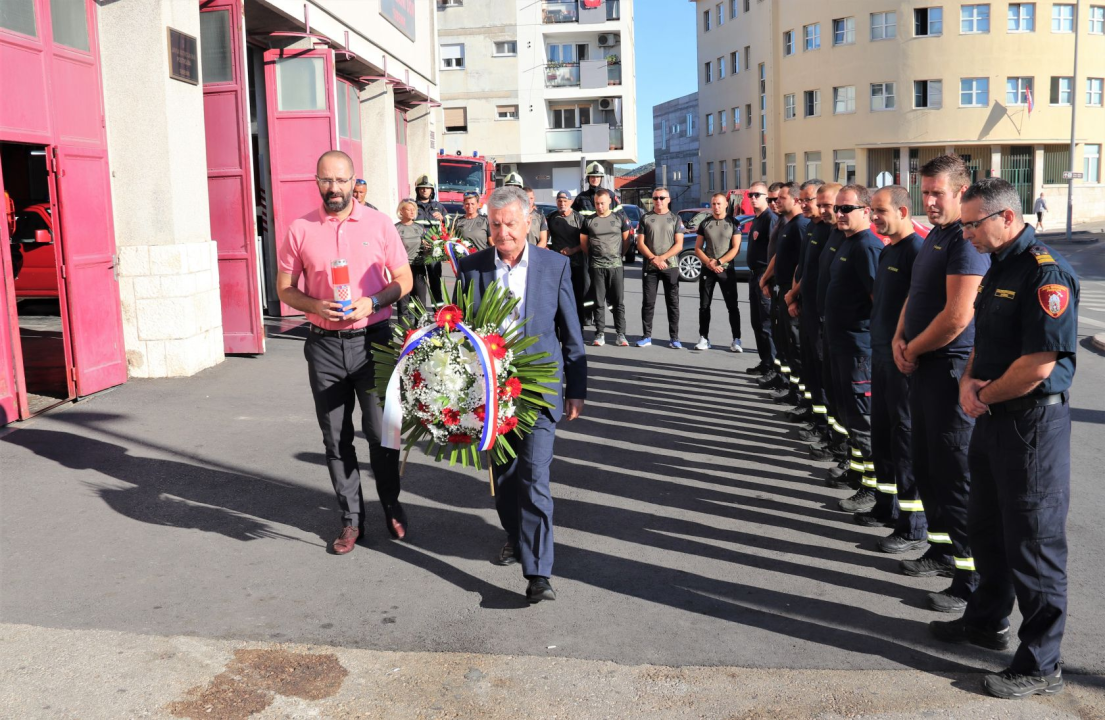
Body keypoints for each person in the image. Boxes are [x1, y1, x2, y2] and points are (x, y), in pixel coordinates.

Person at [931, 177, 1079, 700]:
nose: (964, 231)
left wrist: (984, 395)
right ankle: (985, 619)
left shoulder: (1045, 274)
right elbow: (986, 341)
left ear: (1007, 218)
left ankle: (1041, 663)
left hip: (1032, 424)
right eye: (964, 222)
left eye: (973, 223)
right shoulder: (999, 267)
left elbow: (1039, 365)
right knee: (986, 526)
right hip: (993, 416)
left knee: (1034, 544)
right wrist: (970, 380)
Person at [276, 150, 414, 555]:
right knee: (336, 439)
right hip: (324, 345)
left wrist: (373, 301)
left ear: (355, 181)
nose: (333, 188)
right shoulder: (300, 229)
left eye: (340, 180)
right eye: (325, 180)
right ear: (316, 181)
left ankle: (390, 502)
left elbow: (403, 279)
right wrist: (314, 306)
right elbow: (284, 287)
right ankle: (351, 520)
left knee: (382, 433)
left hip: (373, 340)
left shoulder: (379, 223)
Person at [455, 186, 588, 603]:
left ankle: (539, 572)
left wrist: (576, 389)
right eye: (495, 225)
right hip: (493, 393)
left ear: (528, 222)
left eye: (510, 224)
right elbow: (459, 331)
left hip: (539, 389)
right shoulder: (472, 268)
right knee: (506, 478)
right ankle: (515, 535)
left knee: (534, 477)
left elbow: (571, 333)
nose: (503, 233)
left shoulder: (554, 267)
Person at [893, 155, 990, 613]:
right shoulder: (935, 236)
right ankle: (941, 549)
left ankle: (970, 576)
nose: (928, 200)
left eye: (938, 193)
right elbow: (915, 295)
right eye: (924, 191)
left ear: (960, 192)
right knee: (928, 465)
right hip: (922, 367)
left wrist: (913, 349)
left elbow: (956, 317)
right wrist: (899, 336)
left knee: (955, 476)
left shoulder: (964, 243)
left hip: (948, 372)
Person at [863, 186, 927, 553]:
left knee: (905, 442)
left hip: (903, 365)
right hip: (881, 358)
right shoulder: (890, 249)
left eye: (880, 211)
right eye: (872, 210)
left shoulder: (917, 251)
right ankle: (886, 507)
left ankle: (913, 525)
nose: (874, 217)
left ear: (903, 211)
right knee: (884, 438)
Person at [822, 185, 883, 513]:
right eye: (838, 209)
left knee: (863, 421)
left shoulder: (867, 247)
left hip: (859, 350)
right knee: (847, 415)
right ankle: (858, 473)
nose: (840, 214)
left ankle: (872, 489)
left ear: (866, 211)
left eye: (847, 209)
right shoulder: (848, 243)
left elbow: (878, 302)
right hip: (841, 345)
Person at [788, 179, 828, 434]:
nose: (804, 204)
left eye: (808, 200)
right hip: (806, 307)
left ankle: (824, 425)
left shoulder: (827, 231)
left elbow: (815, 274)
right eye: (801, 200)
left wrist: (793, 293)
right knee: (809, 365)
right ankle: (813, 411)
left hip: (820, 313)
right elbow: (801, 266)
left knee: (823, 372)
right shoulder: (810, 228)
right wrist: (794, 294)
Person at [767, 182, 808, 406]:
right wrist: (766, 279)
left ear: (794, 200)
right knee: (785, 344)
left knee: (796, 347)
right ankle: (790, 387)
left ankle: (800, 395)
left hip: (791, 296)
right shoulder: (787, 224)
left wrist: (793, 295)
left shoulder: (801, 226)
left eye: (781, 198)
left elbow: (802, 266)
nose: (777, 202)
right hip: (782, 292)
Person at [635, 186, 685, 348]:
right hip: (650, 267)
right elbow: (640, 243)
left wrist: (662, 258)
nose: (658, 201)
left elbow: (679, 245)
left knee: (673, 303)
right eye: (655, 198)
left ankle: (674, 338)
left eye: (661, 198)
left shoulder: (675, 219)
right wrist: (653, 259)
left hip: (670, 267)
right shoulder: (646, 218)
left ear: (668, 200)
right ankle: (646, 336)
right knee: (648, 303)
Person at [580, 188, 631, 347]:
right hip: (596, 267)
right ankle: (599, 333)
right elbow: (583, 243)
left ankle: (621, 334)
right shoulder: (589, 220)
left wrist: (618, 255)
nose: (599, 206)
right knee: (598, 301)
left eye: (602, 203)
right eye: (596, 203)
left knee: (618, 301)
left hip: (616, 266)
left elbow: (626, 241)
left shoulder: (618, 218)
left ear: (609, 201)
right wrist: (595, 256)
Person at [694, 193, 743, 352]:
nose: (716, 207)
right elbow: (697, 248)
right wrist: (709, 262)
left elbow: (736, 248)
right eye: (714, 204)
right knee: (704, 305)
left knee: (732, 306)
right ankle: (704, 338)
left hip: (726, 269)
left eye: (719, 204)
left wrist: (720, 262)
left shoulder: (733, 222)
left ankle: (736, 339)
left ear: (726, 205)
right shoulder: (705, 223)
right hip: (708, 268)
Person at [744, 182, 778, 374]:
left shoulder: (770, 218)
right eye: (751, 195)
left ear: (766, 197)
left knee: (766, 323)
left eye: (758, 194)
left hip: (764, 275)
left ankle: (772, 366)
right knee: (756, 322)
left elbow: (774, 253)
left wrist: (765, 278)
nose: (753, 198)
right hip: (754, 274)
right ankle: (765, 362)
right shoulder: (756, 219)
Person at [546, 191, 588, 325]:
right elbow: (545, 240)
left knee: (577, 296)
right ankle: (559, 327)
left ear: (570, 202)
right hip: (557, 265)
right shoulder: (551, 218)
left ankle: (579, 326)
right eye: (559, 201)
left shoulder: (579, 218)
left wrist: (573, 250)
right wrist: (550, 251)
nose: (562, 203)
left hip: (576, 264)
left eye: (565, 201)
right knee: (557, 297)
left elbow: (586, 243)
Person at [414, 174, 447, 306]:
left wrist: (443, 219)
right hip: (417, 251)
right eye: (422, 188)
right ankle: (418, 316)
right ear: (417, 190)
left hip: (434, 251)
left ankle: (438, 313)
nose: (424, 190)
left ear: (432, 190)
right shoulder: (412, 206)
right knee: (418, 284)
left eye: (427, 188)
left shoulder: (439, 207)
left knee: (435, 282)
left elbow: (450, 227)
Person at [394, 199, 428, 322]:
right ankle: (404, 331)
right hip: (403, 269)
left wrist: (428, 249)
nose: (412, 212)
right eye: (409, 209)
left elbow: (425, 246)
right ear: (401, 211)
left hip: (418, 267)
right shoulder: (396, 228)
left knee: (420, 301)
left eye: (414, 209)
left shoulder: (419, 228)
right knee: (403, 302)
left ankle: (421, 329)